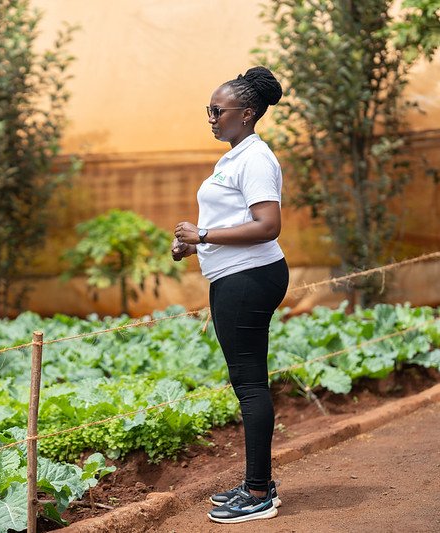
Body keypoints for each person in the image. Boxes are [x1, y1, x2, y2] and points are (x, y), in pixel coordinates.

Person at [171, 66, 289, 524]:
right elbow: (235, 223)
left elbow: (268, 226)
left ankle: (258, 491)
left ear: (248, 113)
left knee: (250, 385)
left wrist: (202, 234)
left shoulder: (256, 158)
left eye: (217, 110)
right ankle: (257, 482)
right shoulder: (237, 156)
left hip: (249, 278)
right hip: (237, 276)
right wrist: (194, 243)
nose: (211, 117)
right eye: (209, 109)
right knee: (249, 383)